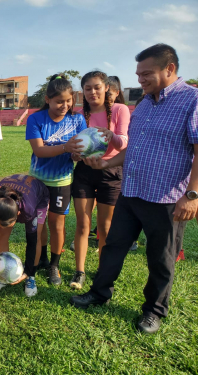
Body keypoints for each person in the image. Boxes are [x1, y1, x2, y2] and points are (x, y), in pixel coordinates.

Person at [70, 44, 198, 335]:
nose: (140, 80)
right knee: (113, 245)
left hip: (166, 197)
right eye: (138, 74)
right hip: (131, 190)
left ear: (170, 69)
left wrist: (192, 195)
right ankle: (100, 292)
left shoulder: (192, 100)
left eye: (146, 73)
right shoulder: (145, 103)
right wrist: (105, 165)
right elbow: (134, 148)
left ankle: (153, 311)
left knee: (161, 258)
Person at [70, 71, 130, 289]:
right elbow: (75, 147)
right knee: (83, 225)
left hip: (111, 173)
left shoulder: (119, 110)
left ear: (106, 88)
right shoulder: (79, 115)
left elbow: (123, 142)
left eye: (97, 87)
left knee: (104, 228)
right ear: (82, 92)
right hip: (84, 173)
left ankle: (102, 271)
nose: (92, 92)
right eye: (88, 88)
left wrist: (109, 135)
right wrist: (75, 154)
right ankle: (79, 271)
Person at [26, 74, 87, 286]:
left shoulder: (77, 119)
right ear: (47, 99)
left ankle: (54, 265)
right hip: (38, 182)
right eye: (59, 101)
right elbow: (39, 150)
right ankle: (41, 257)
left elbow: (79, 151)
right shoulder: (35, 119)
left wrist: (77, 154)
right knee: (39, 224)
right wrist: (65, 147)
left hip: (62, 181)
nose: (65, 105)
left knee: (57, 225)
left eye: (68, 101)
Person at [0, 174, 49, 296]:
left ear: (18, 214)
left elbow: (32, 242)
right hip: (11, 189)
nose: (3, 226)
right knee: (1, 235)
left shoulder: (28, 210)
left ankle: (31, 276)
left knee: (37, 236)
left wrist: (27, 272)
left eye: (8, 224)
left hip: (38, 195)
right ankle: (2, 276)